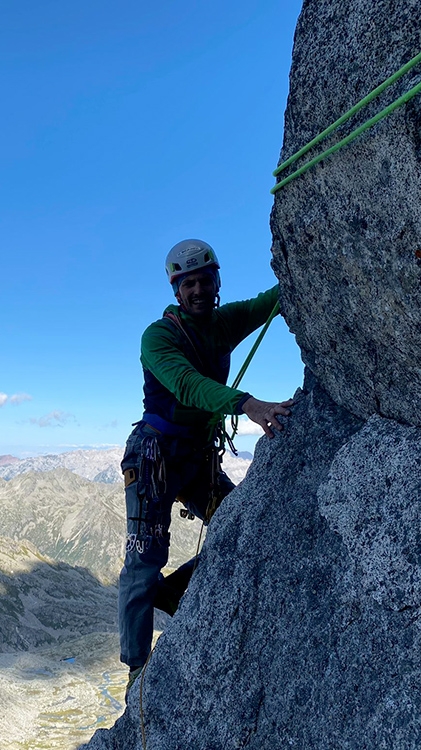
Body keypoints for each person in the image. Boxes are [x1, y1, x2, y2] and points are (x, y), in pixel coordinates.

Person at [119, 238, 293, 689]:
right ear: (177, 290)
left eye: (204, 281)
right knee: (143, 562)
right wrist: (247, 404)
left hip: (194, 454)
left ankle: (172, 594)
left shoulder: (223, 321)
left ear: (216, 282)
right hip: (154, 455)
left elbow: (270, 302)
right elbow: (187, 384)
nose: (198, 290)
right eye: (188, 283)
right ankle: (137, 671)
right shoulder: (158, 338)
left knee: (242, 522)